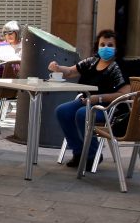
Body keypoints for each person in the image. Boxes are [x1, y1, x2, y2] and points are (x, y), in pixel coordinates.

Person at [49, 29, 133, 169]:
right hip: (87, 101)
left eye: (110, 45)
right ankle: (79, 152)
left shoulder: (117, 67)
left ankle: (92, 155)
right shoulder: (93, 61)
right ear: (97, 46)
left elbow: (124, 94)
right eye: (102, 44)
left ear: (117, 48)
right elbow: (70, 71)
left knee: (82, 114)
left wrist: (98, 98)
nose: (106, 48)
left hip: (109, 107)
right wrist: (57, 68)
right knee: (62, 111)